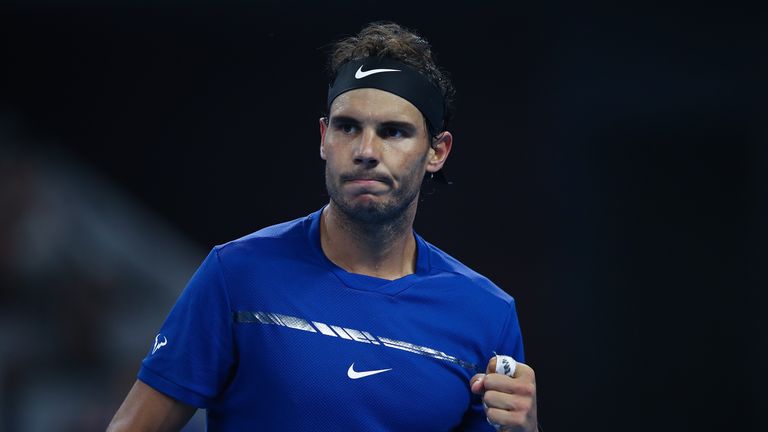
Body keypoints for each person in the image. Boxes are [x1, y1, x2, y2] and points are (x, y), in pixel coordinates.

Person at [108, 21, 538, 431]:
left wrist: (524, 430)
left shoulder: (487, 314)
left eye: (393, 132)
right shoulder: (236, 274)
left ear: (437, 152)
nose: (366, 150)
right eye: (348, 127)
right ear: (323, 137)